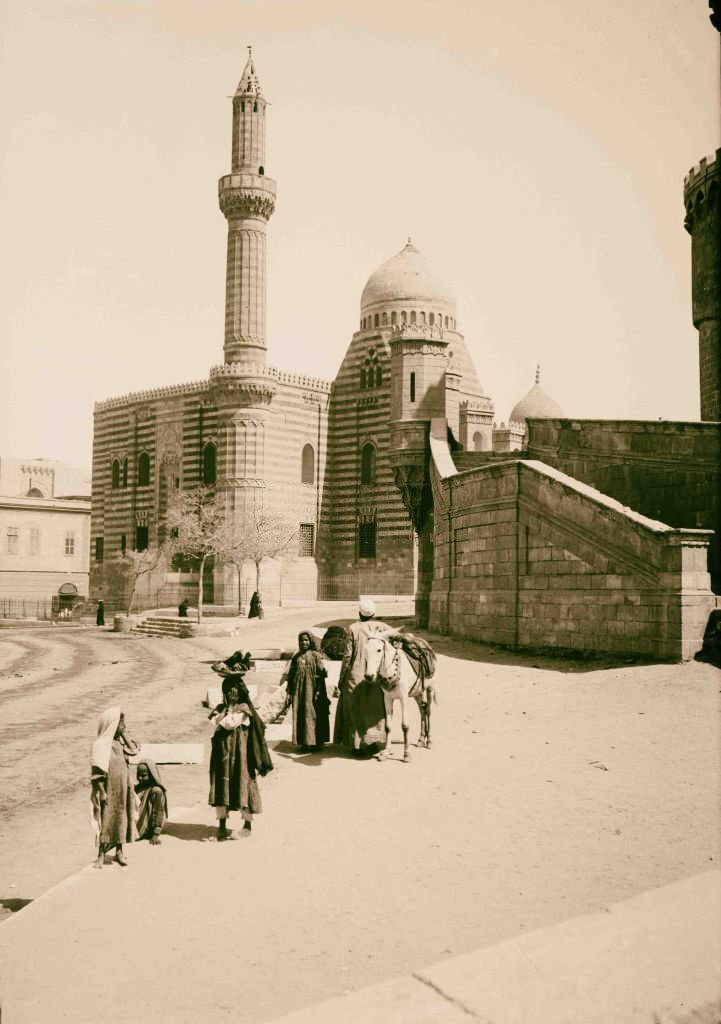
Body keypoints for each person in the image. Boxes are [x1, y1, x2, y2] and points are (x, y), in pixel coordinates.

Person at [208, 662, 273, 840]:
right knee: (222, 785)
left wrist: (222, 715)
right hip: (222, 756)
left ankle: (247, 825)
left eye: (234, 689)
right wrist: (222, 713)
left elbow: (228, 723)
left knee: (243, 782)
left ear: (241, 691)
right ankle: (222, 824)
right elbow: (213, 722)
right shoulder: (223, 708)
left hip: (240, 756)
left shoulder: (244, 710)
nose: (231, 693)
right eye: (228, 690)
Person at [333, 598, 396, 756]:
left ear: (359, 613)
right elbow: (396, 643)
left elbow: (348, 656)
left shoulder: (353, 628)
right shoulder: (383, 628)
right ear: (374, 613)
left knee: (356, 708)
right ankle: (373, 742)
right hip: (375, 675)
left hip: (356, 673)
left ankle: (357, 745)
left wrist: (341, 679)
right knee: (374, 707)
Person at [90, 707, 140, 868]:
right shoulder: (100, 746)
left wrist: (124, 736)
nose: (125, 726)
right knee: (106, 820)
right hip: (108, 789)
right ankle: (101, 855)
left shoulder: (120, 743)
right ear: (113, 725)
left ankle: (119, 851)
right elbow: (96, 774)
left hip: (123, 788)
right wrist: (102, 793)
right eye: (122, 724)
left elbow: (134, 750)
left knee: (122, 818)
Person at [286, 631, 330, 752]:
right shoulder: (296, 657)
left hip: (313, 691)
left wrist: (319, 690)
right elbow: (290, 676)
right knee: (301, 714)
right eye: (301, 640)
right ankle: (304, 743)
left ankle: (315, 742)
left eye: (306, 640)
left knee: (314, 715)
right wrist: (289, 691)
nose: (304, 642)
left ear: (310, 642)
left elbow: (322, 674)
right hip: (299, 692)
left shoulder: (315, 656)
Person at [134, 758, 168, 845]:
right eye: (138, 775)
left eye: (144, 775)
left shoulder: (156, 791)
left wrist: (155, 834)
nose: (140, 778)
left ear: (152, 775)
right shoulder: (137, 788)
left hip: (147, 828)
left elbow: (158, 812)